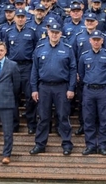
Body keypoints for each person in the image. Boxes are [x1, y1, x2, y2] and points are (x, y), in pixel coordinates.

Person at [29, 22, 76, 156]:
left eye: (57, 32)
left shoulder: (67, 48)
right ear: (48, 33)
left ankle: (67, 144)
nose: (54, 34)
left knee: (63, 116)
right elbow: (34, 70)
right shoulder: (40, 48)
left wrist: (71, 88)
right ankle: (40, 144)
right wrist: (34, 89)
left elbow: (73, 69)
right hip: (44, 87)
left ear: (61, 34)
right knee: (43, 117)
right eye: (52, 32)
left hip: (62, 87)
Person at [77, 30, 106, 156]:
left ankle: (103, 145)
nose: (96, 42)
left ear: (102, 41)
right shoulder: (84, 56)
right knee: (88, 119)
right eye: (93, 39)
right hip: (88, 90)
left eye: (98, 39)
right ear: (90, 41)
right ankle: (90, 145)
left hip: (103, 90)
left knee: (104, 119)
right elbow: (81, 73)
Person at [5, 8, 39, 135]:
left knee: (30, 96)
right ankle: (15, 124)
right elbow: (6, 50)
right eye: (18, 16)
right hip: (13, 66)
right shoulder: (8, 32)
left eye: (22, 17)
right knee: (13, 97)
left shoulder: (32, 32)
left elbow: (36, 49)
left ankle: (31, 123)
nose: (20, 19)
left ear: (26, 18)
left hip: (28, 67)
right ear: (14, 18)